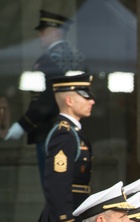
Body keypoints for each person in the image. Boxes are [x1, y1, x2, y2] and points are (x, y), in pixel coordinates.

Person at [5, 9, 87, 184]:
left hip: (48, 128)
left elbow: (47, 98)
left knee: (53, 185)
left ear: (56, 32)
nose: (39, 35)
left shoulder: (51, 59)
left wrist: (24, 124)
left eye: (43, 31)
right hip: (66, 128)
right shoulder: (73, 56)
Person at [37, 74, 95, 222]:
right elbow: (57, 185)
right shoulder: (64, 135)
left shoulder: (73, 133)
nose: (91, 101)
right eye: (85, 96)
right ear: (69, 100)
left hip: (76, 220)